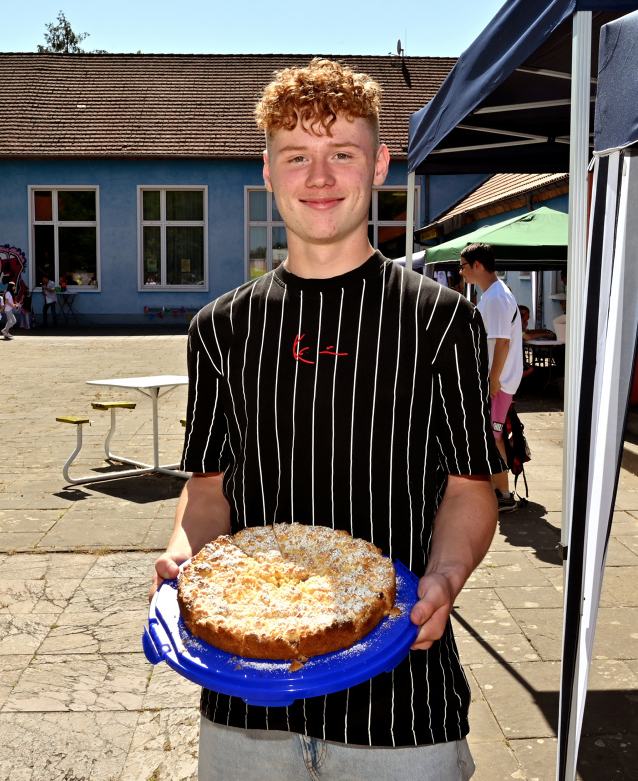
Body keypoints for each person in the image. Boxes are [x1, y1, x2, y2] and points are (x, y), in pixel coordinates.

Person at [151, 58, 499, 780]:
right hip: (247, 710)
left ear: (378, 166)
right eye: (297, 157)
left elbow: (470, 490)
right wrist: (186, 553)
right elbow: (209, 488)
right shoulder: (219, 327)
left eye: (342, 153)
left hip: (403, 708)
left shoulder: (442, 321)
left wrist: (446, 575)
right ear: (268, 172)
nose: (319, 176)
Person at [458, 243, 524, 513]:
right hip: (498, 379)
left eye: (462, 266)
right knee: (492, 435)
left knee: (493, 436)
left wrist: (492, 380)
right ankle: (498, 491)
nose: (460, 272)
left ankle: (504, 495)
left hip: (499, 381)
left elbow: (501, 343)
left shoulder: (496, 297)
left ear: (477, 265)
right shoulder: (493, 294)